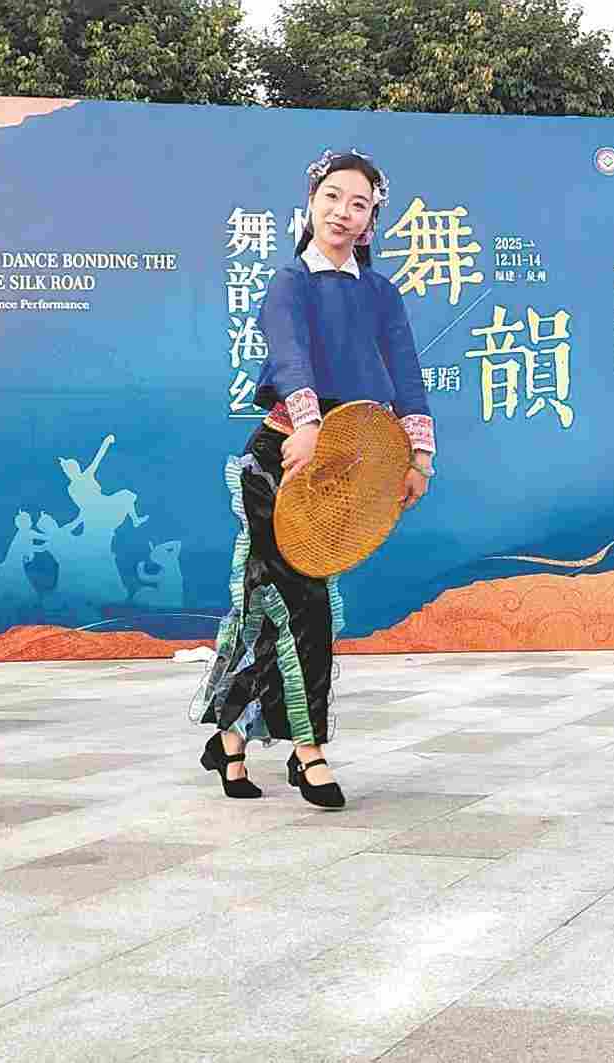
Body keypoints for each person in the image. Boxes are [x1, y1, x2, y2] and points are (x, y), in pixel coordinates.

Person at [196, 150, 436, 807]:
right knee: (302, 604)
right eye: (333, 197)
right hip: (280, 457)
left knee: (268, 605)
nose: (342, 212)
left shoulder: (380, 292)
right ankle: (310, 752)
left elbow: (406, 372)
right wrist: (305, 420)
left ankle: (229, 733)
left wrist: (418, 456)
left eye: (358, 204)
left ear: (371, 220)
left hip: (340, 464)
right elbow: (289, 353)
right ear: (311, 202)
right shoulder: (289, 282)